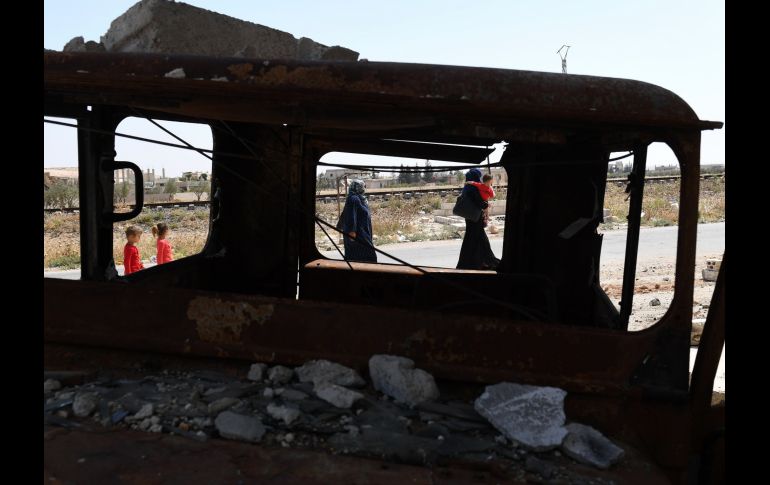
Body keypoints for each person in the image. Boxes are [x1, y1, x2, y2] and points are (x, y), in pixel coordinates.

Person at [456, 168, 500, 270]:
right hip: (476, 218)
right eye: (478, 176)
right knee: (480, 238)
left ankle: (475, 262)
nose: (479, 179)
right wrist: (486, 205)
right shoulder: (473, 188)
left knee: (472, 239)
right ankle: (485, 261)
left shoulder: (467, 187)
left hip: (469, 218)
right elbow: (479, 202)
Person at [339, 179, 377, 262]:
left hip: (363, 234)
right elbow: (350, 216)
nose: (364, 188)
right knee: (368, 259)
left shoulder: (360, 199)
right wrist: (352, 234)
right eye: (363, 186)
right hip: (358, 237)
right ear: (359, 187)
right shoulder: (353, 199)